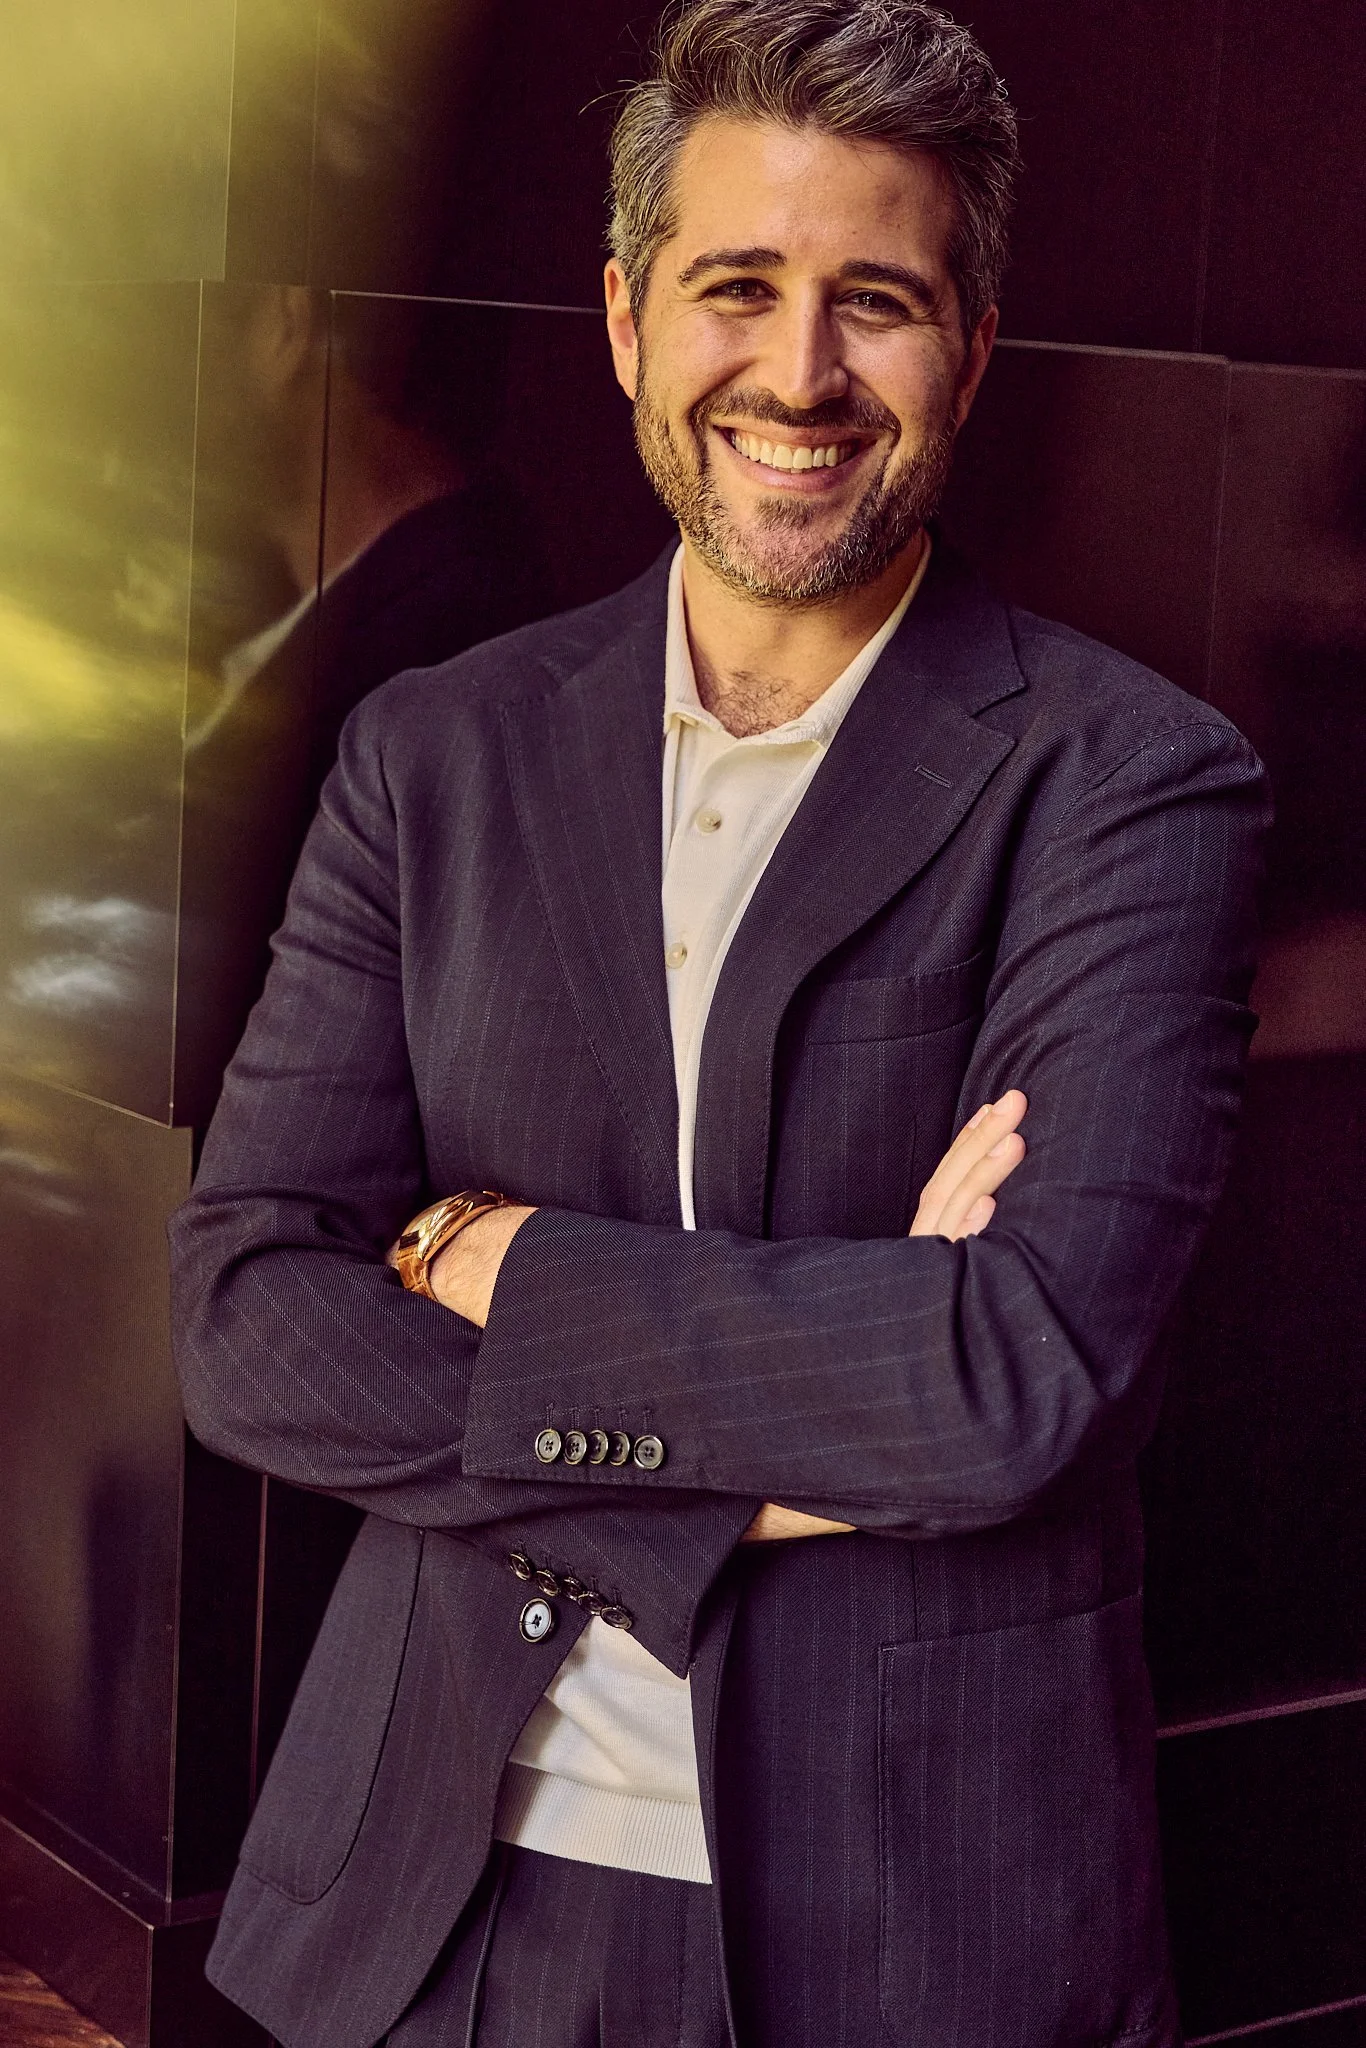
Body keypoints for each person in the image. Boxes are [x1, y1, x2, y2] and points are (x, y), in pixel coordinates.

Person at [168, 3, 1270, 2044]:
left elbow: (1010, 1377)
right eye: (734, 288)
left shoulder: (1127, 781)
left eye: (875, 301)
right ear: (619, 317)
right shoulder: (434, 753)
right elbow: (248, 1323)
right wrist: (820, 1398)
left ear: (973, 343)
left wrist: (488, 1266)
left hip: (913, 1918)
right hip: (429, 1896)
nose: (795, 373)